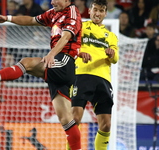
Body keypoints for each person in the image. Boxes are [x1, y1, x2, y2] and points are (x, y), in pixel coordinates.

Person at [0, 0, 82, 149]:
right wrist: (8, 18)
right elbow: (32, 20)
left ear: (67, 0)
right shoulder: (53, 13)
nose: (52, 2)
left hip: (64, 61)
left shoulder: (72, 12)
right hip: (57, 66)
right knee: (66, 120)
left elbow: (65, 37)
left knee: (28, 63)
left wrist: (51, 54)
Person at [67, 0, 119, 149]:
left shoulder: (111, 36)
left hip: (103, 79)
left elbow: (115, 58)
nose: (98, 13)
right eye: (95, 9)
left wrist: (111, 54)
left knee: (106, 125)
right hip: (82, 76)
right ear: (89, 11)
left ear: (105, 13)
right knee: (75, 119)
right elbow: (69, 47)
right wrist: (80, 53)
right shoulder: (80, 27)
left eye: (101, 11)